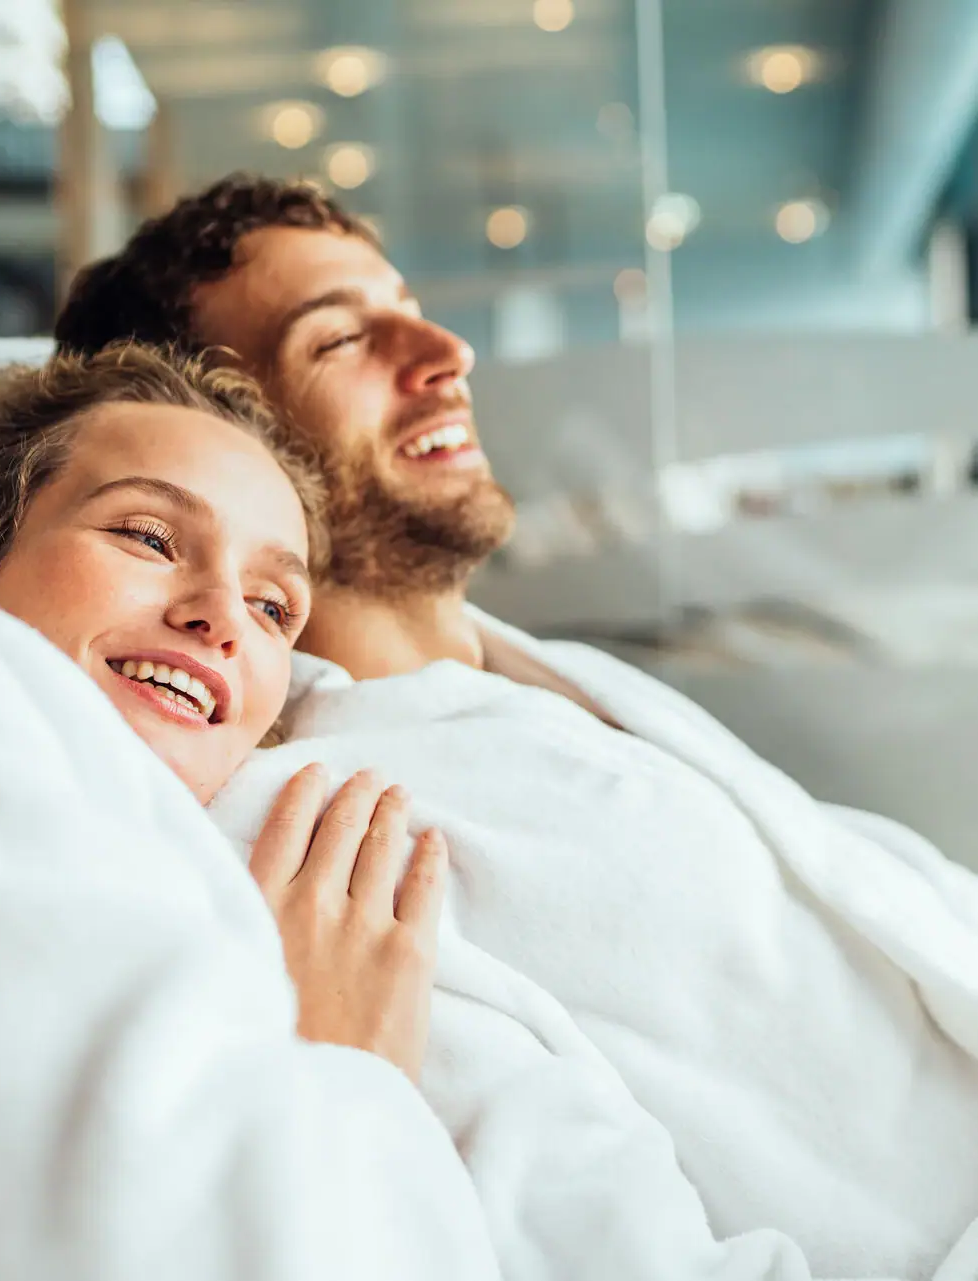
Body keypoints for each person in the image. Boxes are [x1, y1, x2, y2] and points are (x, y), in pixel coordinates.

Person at [50, 178, 978, 1281]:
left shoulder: (555, 678)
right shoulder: (319, 834)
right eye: (343, 337)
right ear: (223, 440)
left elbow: (862, 901)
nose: (444, 350)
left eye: (409, 304)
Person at [0, 342, 501, 1281]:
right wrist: (345, 1063)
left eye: (274, 605)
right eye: (150, 538)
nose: (222, 616)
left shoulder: (253, 867)